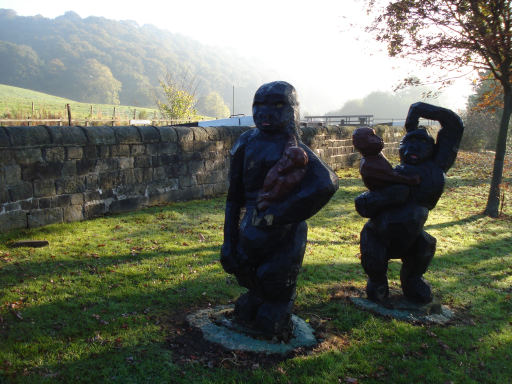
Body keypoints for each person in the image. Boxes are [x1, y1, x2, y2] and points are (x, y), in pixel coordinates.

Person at [220, 81, 338, 337]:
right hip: (250, 229)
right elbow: (234, 199)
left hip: (285, 236)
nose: (265, 112)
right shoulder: (245, 143)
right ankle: (258, 297)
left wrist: (281, 214)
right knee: (245, 273)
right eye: (259, 104)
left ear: (292, 110)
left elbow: (326, 182)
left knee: (275, 283)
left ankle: (278, 305)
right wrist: (228, 242)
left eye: (277, 104)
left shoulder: (294, 150)